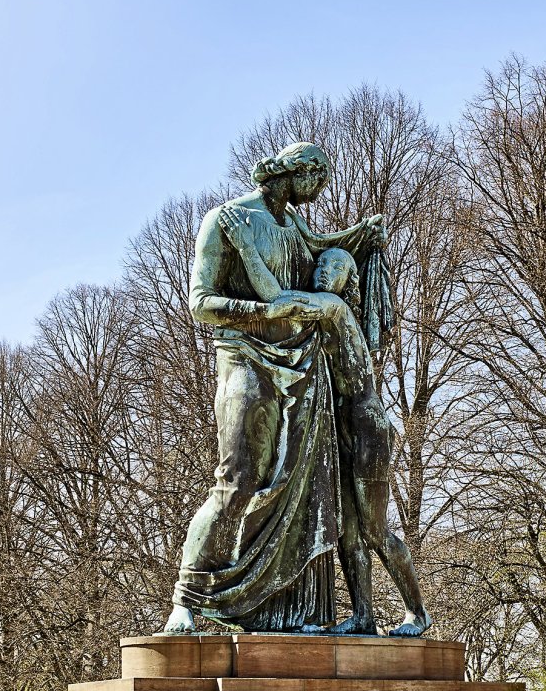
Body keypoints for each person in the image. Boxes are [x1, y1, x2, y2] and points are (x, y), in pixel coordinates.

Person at [162, 142, 388, 633]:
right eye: (319, 179)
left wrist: (362, 236)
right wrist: (262, 313)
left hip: (303, 360)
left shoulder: (295, 222)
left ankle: (291, 611)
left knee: (306, 484)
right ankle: (187, 596)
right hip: (244, 354)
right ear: (296, 173)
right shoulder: (227, 219)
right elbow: (200, 302)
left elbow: (325, 247)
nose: (321, 190)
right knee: (239, 476)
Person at [220, 223, 430, 636]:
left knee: (373, 530)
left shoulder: (335, 309)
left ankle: (417, 613)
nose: (321, 272)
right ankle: (364, 617)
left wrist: (246, 248)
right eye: (319, 265)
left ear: (347, 280)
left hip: (367, 429)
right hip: (344, 427)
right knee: (349, 534)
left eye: (332, 267)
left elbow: (278, 300)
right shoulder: (320, 317)